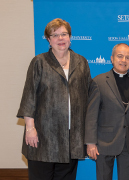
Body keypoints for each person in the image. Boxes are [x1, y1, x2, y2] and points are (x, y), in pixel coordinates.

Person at [16, 18, 92, 180]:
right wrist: (30, 129)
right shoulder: (39, 62)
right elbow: (29, 95)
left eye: (64, 34)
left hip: (72, 137)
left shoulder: (82, 62)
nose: (60, 38)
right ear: (49, 40)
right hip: (43, 137)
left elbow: (88, 96)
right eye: (55, 35)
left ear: (70, 37)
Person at [85, 43, 129, 180]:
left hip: (128, 142)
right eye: (120, 56)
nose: (123, 60)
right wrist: (90, 142)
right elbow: (91, 115)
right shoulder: (98, 81)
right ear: (112, 58)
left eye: (128, 57)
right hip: (103, 142)